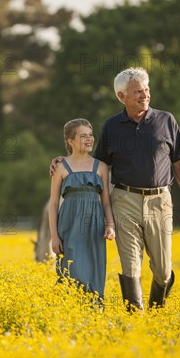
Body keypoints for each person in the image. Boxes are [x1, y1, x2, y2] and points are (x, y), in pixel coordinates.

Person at [50, 67, 180, 311]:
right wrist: (62, 161)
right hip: (124, 199)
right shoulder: (111, 127)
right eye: (138, 91)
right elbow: (95, 164)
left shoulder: (166, 120)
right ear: (122, 96)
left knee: (162, 269)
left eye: (146, 89)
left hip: (160, 201)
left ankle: (156, 311)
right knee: (131, 266)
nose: (145, 95)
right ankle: (135, 319)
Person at [49, 118, 115, 301]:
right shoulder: (60, 168)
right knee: (70, 270)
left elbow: (106, 202)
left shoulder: (101, 167)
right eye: (83, 136)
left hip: (94, 228)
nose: (89, 139)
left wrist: (110, 226)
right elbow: (53, 205)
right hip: (69, 226)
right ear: (70, 141)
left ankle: (94, 314)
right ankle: (70, 311)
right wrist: (54, 236)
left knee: (94, 272)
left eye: (91, 135)